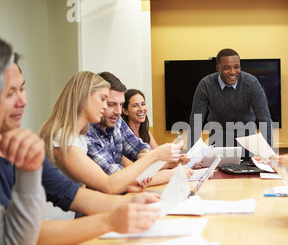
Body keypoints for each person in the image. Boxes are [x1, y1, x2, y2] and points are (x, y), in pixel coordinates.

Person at [0, 55, 162, 245]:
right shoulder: (63, 139)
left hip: (57, 237)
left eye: (22, 89)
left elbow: (70, 193)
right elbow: (19, 233)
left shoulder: (29, 149)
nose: (23, 101)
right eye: (104, 100)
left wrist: (129, 203)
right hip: (48, 238)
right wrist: (111, 219)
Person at [38, 71, 181, 195]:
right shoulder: (66, 138)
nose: (110, 108)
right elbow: (108, 185)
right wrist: (156, 158)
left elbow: (82, 194)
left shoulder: (78, 137)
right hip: (57, 223)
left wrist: (131, 187)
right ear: (84, 98)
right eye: (104, 100)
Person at [86, 72, 192, 187]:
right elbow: (115, 179)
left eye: (121, 105)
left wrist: (164, 161)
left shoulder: (117, 121)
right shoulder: (87, 133)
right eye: (111, 104)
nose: (118, 112)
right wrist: (163, 165)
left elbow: (137, 147)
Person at [0, 39, 45, 245]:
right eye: (9, 93)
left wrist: (29, 172)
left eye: (22, 89)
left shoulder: (19, 144)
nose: (23, 102)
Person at [189, 48, 273, 156]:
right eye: (226, 68)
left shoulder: (251, 83)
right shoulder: (206, 85)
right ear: (217, 68)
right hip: (218, 138)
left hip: (247, 138)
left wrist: (268, 156)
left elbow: (265, 120)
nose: (233, 72)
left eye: (236, 67)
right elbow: (196, 122)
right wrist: (193, 156)